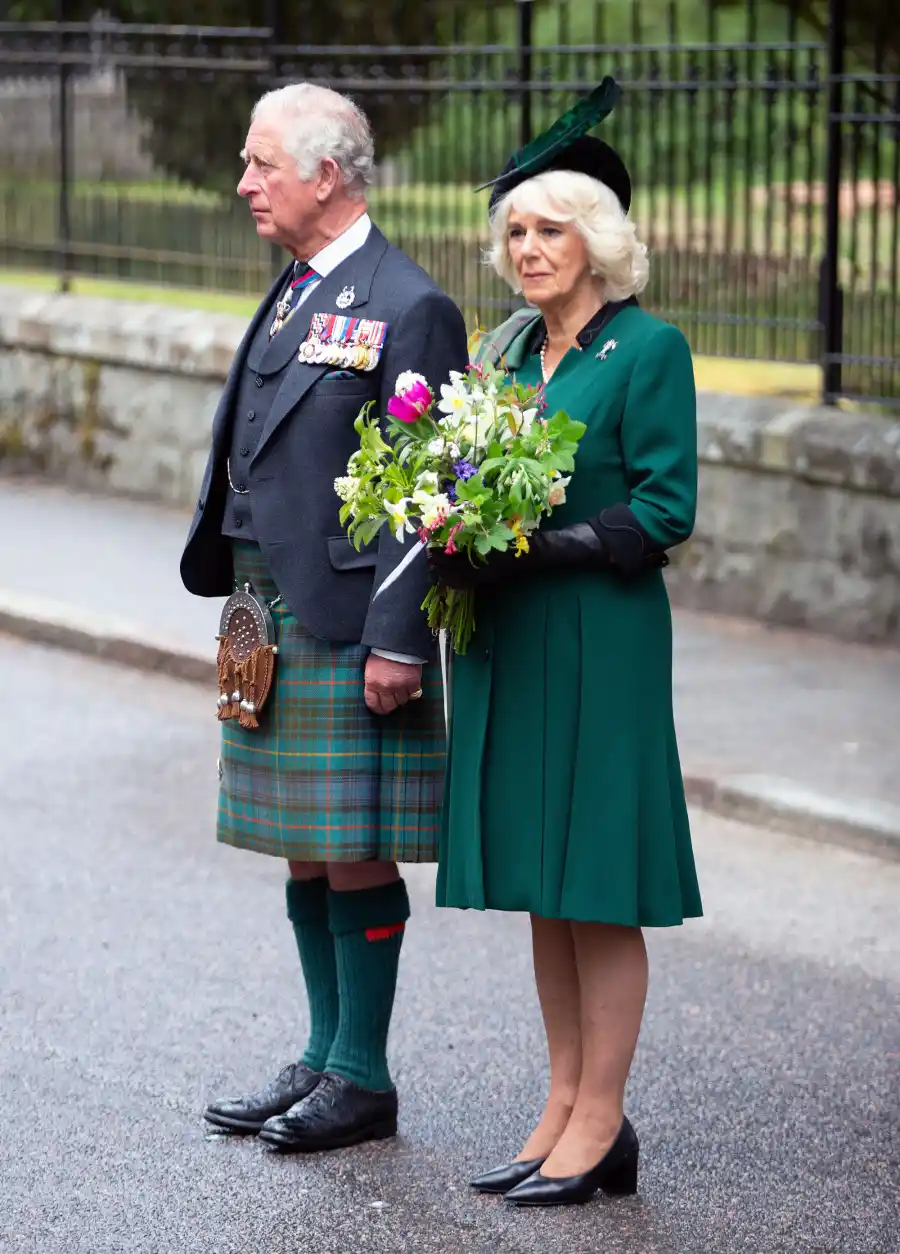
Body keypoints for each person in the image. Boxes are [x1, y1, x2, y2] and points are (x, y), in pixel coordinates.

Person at [181, 83, 468, 1153]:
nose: (246, 183)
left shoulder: (411, 302)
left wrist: (398, 636)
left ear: (326, 177)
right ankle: (319, 1053)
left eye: (262, 165)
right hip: (266, 605)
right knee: (302, 844)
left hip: (350, 616)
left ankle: (364, 1074)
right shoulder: (299, 288)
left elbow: (426, 488)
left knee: (351, 846)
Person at [431, 80, 702, 1206]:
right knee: (546, 882)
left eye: (549, 230)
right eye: (515, 232)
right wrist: (445, 520)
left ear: (598, 240)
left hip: (600, 636)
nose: (527, 248)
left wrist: (547, 547)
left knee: (599, 881)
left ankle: (604, 1118)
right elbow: (459, 472)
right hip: (510, 641)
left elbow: (664, 507)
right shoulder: (500, 348)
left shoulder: (648, 351)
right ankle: (560, 1102)